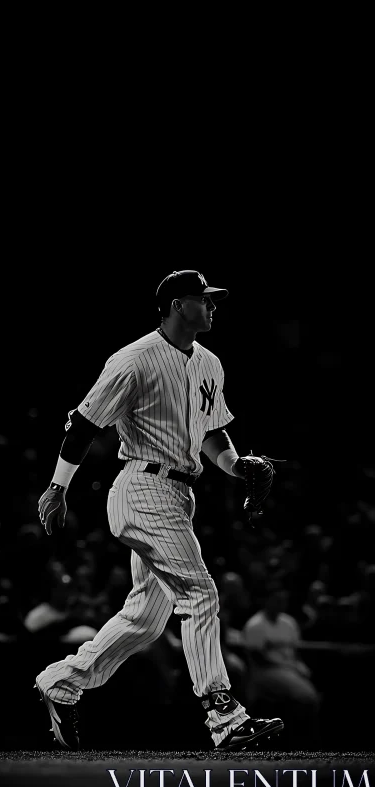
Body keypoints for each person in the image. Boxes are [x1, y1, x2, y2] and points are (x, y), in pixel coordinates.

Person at [36, 270, 284, 750]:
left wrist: (237, 467)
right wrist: (56, 488)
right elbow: (84, 423)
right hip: (142, 487)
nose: (212, 306)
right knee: (200, 592)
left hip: (179, 493)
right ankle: (223, 714)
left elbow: (212, 434)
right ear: (175, 305)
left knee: (146, 618)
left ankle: (63, 682)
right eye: (203, 299)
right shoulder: (134, 359)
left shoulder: (209, 362)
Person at [243, 585, 321, 746]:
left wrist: (299, 667)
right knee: (307, 697)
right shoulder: (255, 624)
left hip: (290, 668)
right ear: (267, 601)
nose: (280, 603)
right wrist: (289, 668)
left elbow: (295, 651)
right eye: (276, 600)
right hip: (266, 672)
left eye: (283, 600)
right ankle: (305, 741)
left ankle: (304, 739)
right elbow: (257, 658)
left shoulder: (289, 622)